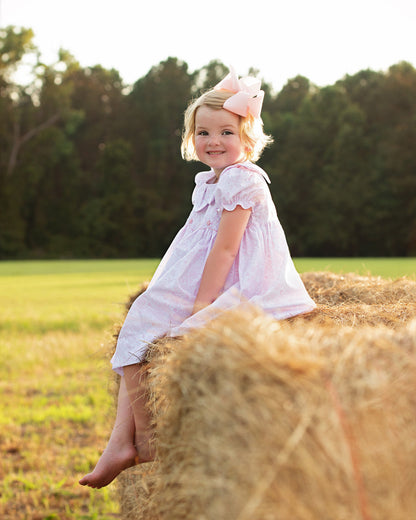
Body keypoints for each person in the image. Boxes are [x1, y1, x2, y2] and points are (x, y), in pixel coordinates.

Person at [79, 67, 316, 489]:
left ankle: (143, 438)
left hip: (240, 285)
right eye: (203, 133)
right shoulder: (209, 181)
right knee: (138, 325)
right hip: (208, 276)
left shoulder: (243, 180)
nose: (214, 142)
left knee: (145, 326)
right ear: (192, 139)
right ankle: (126, 439)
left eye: (226, 132)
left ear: (248, 137)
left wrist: (203, 305)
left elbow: (227, 249)